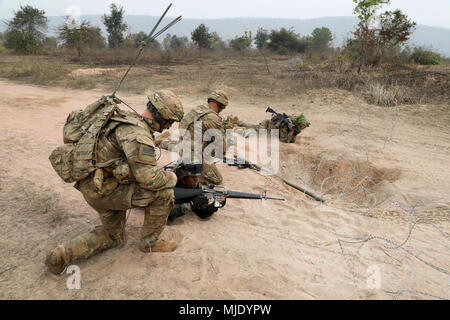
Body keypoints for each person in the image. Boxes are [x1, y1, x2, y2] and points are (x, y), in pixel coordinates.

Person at [46, 90, 184, 275]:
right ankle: (149, 243)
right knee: (164, 192)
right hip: (107, 192)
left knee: (113, 236)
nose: (168, 126)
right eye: (170, 122)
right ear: (164, 118)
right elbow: (150, 180)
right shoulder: (138, 135)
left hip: (92, 186)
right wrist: (171, 178)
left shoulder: (123, 118)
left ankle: (62, 254)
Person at [158, 89, 230, 186]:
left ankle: (164, 141)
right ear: (222, 105)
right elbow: (221, 147)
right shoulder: (213, 118)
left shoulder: (198, 109)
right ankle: (184, 173)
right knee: (216, 179)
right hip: (194, 156)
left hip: (183, 148)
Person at [231, 112, 310, 143]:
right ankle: (236, 129)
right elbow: (284, 140)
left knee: (253, 126)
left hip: (266, 125)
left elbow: (292, 141)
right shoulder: (285, 126)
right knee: (254, 133)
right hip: (265, 127)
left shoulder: (290, 124)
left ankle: (237, 122)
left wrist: (294, 133)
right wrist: (291, 133)